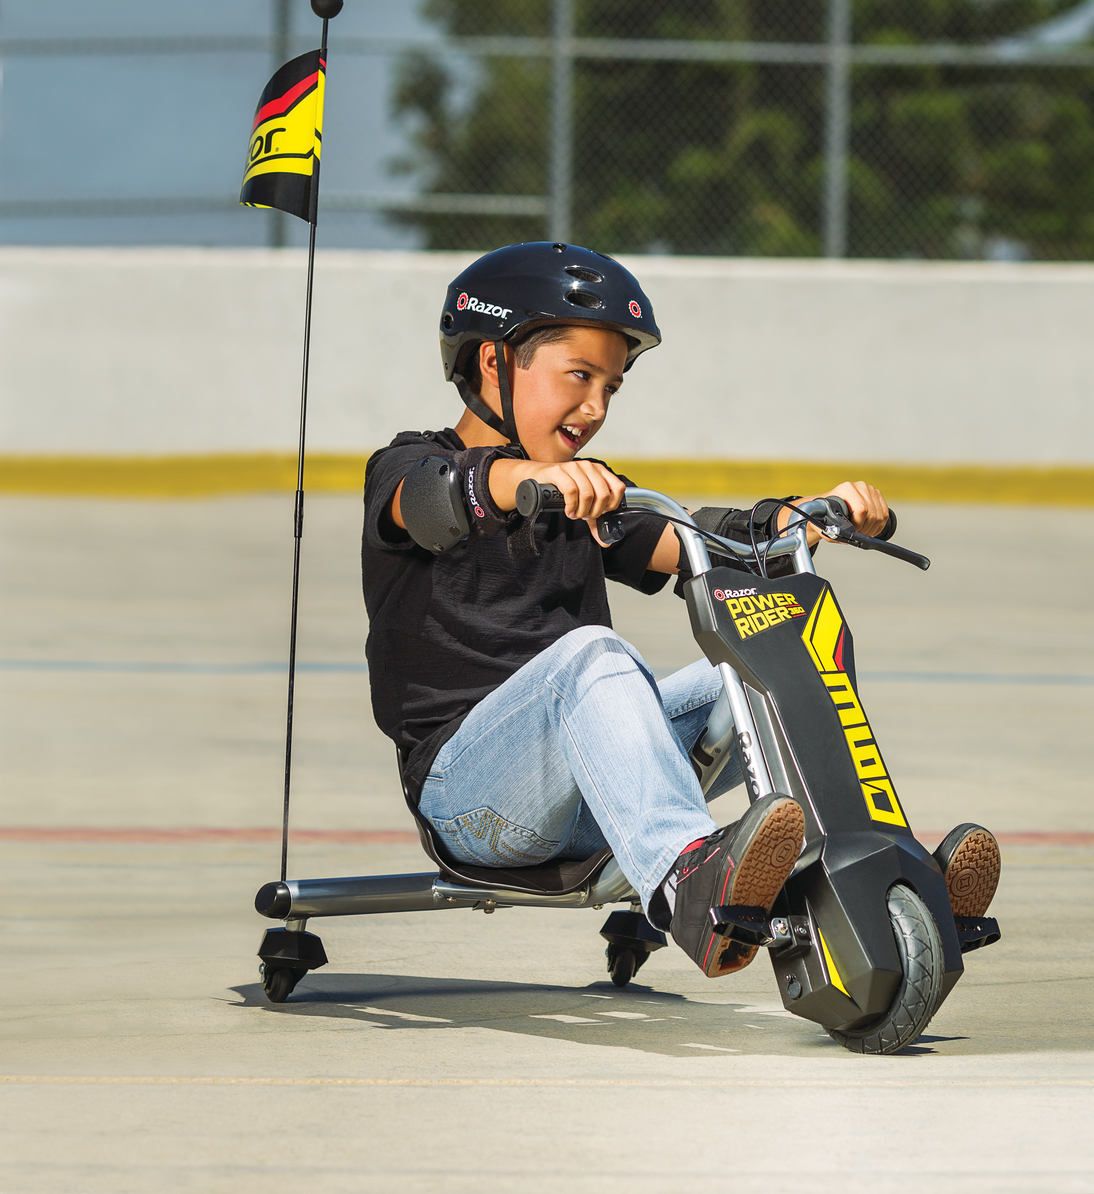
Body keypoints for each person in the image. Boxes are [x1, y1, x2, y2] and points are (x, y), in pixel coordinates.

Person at [362, 242, 998, 978]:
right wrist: (532, 477)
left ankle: (879, 872)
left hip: (587, 795)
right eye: (578, 376)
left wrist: (798, 519)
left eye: (611, 386)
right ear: (492, 362)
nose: (595, 407)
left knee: (769, 660)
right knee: (593, 656)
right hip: (471, 801)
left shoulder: (586, 492)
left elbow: (698, 543)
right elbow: (438, 498)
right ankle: (686, 884)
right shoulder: (409, 468)